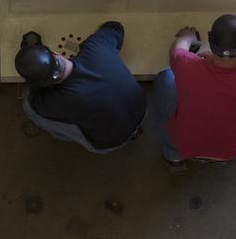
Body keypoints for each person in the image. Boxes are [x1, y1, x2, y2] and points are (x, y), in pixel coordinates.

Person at [149, 16, 236, 171]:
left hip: (185, 145)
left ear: (211, 43)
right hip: (230, 151)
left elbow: (177, 51)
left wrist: (187, 36)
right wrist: (231, 61)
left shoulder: (186, 65)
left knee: (165, 77)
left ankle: (174, 157)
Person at [15, 22, 146, 153]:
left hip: (111, 141)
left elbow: (35, 102)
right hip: (141, 111)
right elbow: (115, 27)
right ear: (55, 54)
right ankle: (133, 131)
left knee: (29, 108)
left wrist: (34, 82)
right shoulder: (96, 47)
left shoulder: (59, 101)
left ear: (43, 84)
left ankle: (62, 135)